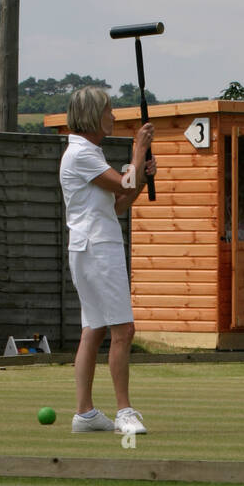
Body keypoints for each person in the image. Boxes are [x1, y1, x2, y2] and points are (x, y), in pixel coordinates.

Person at [59, 87, 156, 433]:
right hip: (99, 248)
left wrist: (142, 177)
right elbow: (122, 183)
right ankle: (124, 412)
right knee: (123, 329)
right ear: (92, 116)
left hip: (88, 247)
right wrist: (139, 148)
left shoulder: (87, 153)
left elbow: (120, 201)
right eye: (109, 110)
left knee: (94, 329)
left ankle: (84, 414)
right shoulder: (82, 154)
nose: (113, 116)